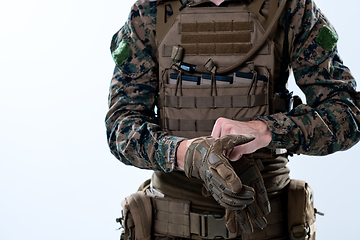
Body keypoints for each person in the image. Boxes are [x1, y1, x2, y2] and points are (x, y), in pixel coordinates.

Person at [106, 0, 360, 239]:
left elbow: (347, 115)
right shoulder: (151, 11)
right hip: (170, 227)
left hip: (269, 225)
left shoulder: (291, 7)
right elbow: (121, 127)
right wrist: (186, 154)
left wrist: (265, 131)